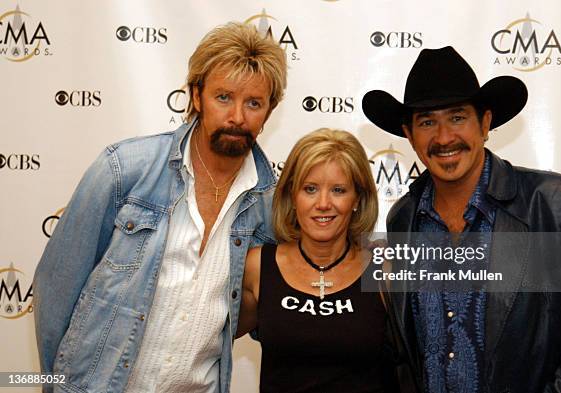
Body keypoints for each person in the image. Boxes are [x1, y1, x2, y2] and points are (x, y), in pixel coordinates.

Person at [33, 22, 287, 393]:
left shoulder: (270, 206)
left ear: (269, 111)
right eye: (223, 97)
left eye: (253, 103)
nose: (237, 116)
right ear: (196, 96)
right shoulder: (124, 170)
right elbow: (56, 288)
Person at [362, 46, 561, 392]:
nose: (444, 137)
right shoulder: (403, 218)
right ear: (409, 135)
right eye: (427, 122)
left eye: (457, 117)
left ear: (485, 123)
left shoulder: (556, 204)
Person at [237, 128, 398, 392]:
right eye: (310, 189)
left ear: (357, 197)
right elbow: (207, 344)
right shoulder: (257, 267)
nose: (323, 204)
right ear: (292, 195)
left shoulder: (385, 269)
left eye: (338, 190)